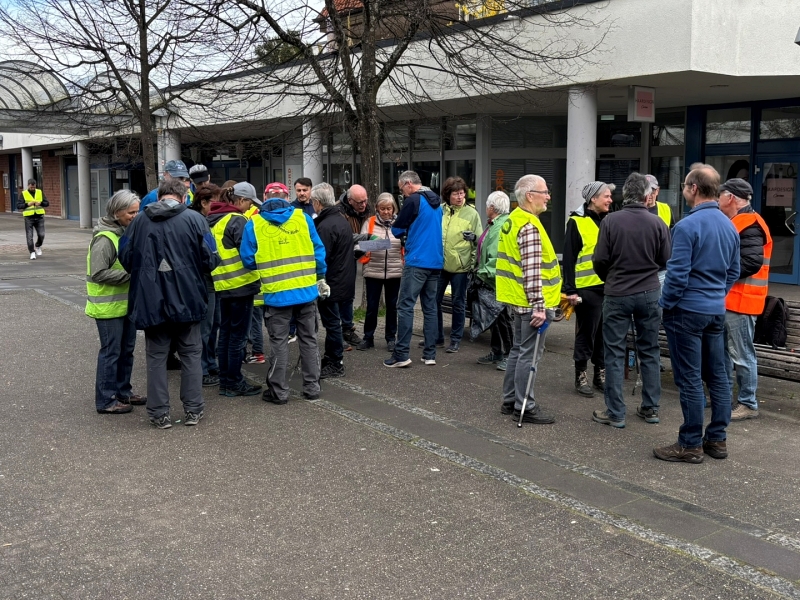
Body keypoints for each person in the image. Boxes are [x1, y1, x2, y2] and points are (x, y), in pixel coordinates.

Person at [654, 164, 740, 463]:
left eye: (684, 186)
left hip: (686, 310)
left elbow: (677, 274)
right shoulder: (730, 224)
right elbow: (734, 271)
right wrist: (717, 294)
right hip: (715, 310)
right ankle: (717, 439)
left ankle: (690, 444)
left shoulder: (687, 227)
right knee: (718, 376)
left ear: (693, 189)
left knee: (689, 378)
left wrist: (667, 302)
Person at [118, 179, 220, 429]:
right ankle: (193, 410)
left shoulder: (139, 220)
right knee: (191, 355)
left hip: (150, 298)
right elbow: (211, 258)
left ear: (159, 196)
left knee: (156, 357)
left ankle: (159, 413)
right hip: (188, 297)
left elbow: (125, 255)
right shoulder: (196, 220)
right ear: (183, 197)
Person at [591, 173, 671, 429]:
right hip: (649, 292)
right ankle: (651, 408)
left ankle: (616, 412)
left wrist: (611, 279)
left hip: (617, 292)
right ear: (647, 196)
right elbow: (665, 260)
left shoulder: (610, 221)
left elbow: (600, 260)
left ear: (622, 196)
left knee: (614, 352)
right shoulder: (657, 223)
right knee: (650, 350)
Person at [241, 195, 327, 404]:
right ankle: (312, 387)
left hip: (276, 294)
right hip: (305, 292)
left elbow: (248, 259)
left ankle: (279, 392)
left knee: (279, 343)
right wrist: (320, 275)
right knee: (309, 340)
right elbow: (318, 251)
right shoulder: (303, 218)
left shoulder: (254, 223)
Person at [496, 174, 560, 424]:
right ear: (530, 196)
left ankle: (510, 399)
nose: (548, 196)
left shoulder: (514, 220)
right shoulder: (529, 226)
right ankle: (525, 406)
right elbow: (532, 272)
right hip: (532, 304)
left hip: (518, 300)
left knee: (518, 350)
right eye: (545, 192)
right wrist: (540, 307)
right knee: (529, 355)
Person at [86, 190, 145, 415]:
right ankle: (106, 399)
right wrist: (131, 275)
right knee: (111, 353)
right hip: (108, 306)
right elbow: (98, 273)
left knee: (126, 350)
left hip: (123, 305)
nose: (135, 216)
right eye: (131, 212)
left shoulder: (123, 233)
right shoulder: (105, 238)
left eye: (137, 211)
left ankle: (123, 391)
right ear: (116, 212)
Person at [718, 178, 772, 421]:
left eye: (720, 196)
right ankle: (725, 398)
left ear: (730, 198)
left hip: (742, 301)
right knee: (729, 353)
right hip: (733, 300)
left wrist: (717, 270)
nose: (717, 200)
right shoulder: (741, 221)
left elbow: (751, 262)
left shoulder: (749, 224)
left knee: (741, 354)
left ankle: (748, 402)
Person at [207, 182, 263, 397]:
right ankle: (233, 381)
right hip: (241, 284)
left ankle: (225, 380)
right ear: (240, 200)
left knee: (226, 334)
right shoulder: (237, 220)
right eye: (249, 202)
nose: (249, 207)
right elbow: (249, 252)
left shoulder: (213, 220)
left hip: (222, 285)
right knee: (238, 337)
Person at [384, 171, 443, 368]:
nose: (403, 195)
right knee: (430, 308)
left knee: (405, 306)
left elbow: (397, 229)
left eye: (402, 190)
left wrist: (400, 226)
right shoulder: (436, 201)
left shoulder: (413, 200)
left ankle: (401, 354)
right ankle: (430, 354)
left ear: (409, 184)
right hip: (435, 261)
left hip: (417, 260)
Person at [562, 181, 614, 397]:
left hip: (608, 287)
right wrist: (570, 290)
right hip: (586, 289)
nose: (610, 200)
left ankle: (599, 375)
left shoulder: (610, 220)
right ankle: (580, 375)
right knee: (587, 333)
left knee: (604, 334)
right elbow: (569, 258)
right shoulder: (576, 222)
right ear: (593, 199)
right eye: (606, 196)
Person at [433, 176, 483, 354]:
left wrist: (474, 238)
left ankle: (455, 340)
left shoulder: (472, 213)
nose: (460, 197)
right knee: (433, 301)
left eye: (462, 193)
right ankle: (437, 337)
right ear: (448, 195)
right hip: (440, 264)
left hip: (461, 267)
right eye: (456, 194)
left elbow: (481, 240)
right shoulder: (440, 211)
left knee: (458, 303)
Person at [313, 183, 356, 378]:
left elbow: (322, 256)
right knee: (333, 322)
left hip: (331, 281)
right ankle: (331, 357)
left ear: (317, 203)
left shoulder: (326, 225)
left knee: (331, 323)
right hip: (343, 278)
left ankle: (335, 361)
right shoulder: (340, 219)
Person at [357, 193, 403, 352]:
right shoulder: (369, 223)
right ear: (377, 208)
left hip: (395, 271)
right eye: (382, 208)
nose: (386, 212)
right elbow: (360, 246)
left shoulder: (400, 223)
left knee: (392, 306)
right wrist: (380, 245)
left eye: (389, 208)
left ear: (393, 208)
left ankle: (391, 338)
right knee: (372, 306)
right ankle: (368, 338)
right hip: (373, 271)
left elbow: (405, 244)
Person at [187, 184, 222, 386]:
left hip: (205, 280)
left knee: (212, 324)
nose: (216, 207)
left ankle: (208, 363)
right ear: (203, 202)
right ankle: (202, 370)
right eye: (213, 203)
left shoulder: (194, 219)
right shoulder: (200, 221)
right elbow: (210, 254)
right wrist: (215, 259)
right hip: (204, 281)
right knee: (205, 328)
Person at [474, 191, 512, 371]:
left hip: (494, 280)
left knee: (502, 318)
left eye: (487, 205)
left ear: (491, 207)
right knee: (495, 318)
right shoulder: (495, 224)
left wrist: (481, 272)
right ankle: (497, 351)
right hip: (491, 279)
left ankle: (509, 355)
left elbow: (496, 256)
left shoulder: (500, 226)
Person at [337, 184, 371, 348]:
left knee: (349, 296)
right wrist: (367, 237)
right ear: (350, 201)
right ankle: (338, 332)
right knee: (340, 297)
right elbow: (345, 234)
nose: (363, 205)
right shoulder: (339, 212)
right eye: (359, 202)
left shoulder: (366, 209)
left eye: (365, 201)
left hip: (355, 256)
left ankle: (348, 329)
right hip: (340, 259)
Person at [18, 178, 49, 260]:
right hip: (29, 218)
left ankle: (38, 246)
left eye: (34, 187)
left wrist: (41, 203)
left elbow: (47, 203)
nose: (33, 188)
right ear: (28, 186)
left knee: (41, 234)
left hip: (39, 217)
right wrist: (27, 204)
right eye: (31, 187)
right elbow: (18, 205)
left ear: (35, 185)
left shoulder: (39, 192)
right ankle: (32, 252)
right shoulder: (23, 194)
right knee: (29, 236)